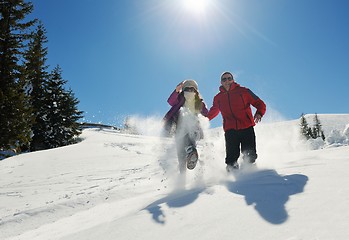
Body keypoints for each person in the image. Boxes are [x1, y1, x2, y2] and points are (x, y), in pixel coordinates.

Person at [207, 71, 266, 172]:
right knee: (231, 159)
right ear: (221, 82)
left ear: (233, 80)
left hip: (246, 128)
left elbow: (259, 103)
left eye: (229, 78)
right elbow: (213, 111)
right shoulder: (218, 98)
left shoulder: (244, 91)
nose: (227, 81)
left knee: (250, 155)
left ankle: (251, 175)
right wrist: (202, 120)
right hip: (231, 131)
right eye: (224, 79)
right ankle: (233, 177)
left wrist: (259, 113)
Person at [163, 80, 208, 173]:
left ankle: (192, 152)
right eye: (187, 88)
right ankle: (182, 177)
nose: (190, 91)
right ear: (183, 90)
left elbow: (206, 113)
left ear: (196, 91)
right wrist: (176, 91)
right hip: (179, 128)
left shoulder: (199, 102)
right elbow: (171, 101)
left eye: (192, 89)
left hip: (193, 128)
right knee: (180, 152)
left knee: (189, 136)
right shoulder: (179, 98)